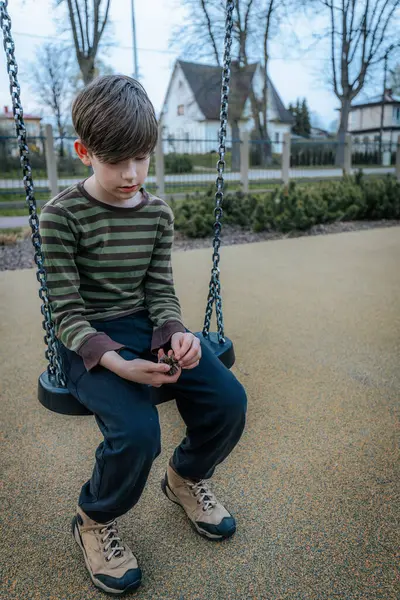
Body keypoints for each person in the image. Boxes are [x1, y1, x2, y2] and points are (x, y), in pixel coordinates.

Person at [39, 75, 247, 596]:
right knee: (137, 434)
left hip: (145, 326)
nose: (132, 174)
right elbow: (64, 311)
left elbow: (160, 290)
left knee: (228, 399)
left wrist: (176, 332)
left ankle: (185, 476)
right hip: (87, 342)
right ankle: (93, 517)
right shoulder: (61, 216)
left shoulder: (157, 213)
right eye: (116, 162)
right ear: (84, 152)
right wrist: (117, 363)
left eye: (142, 158)